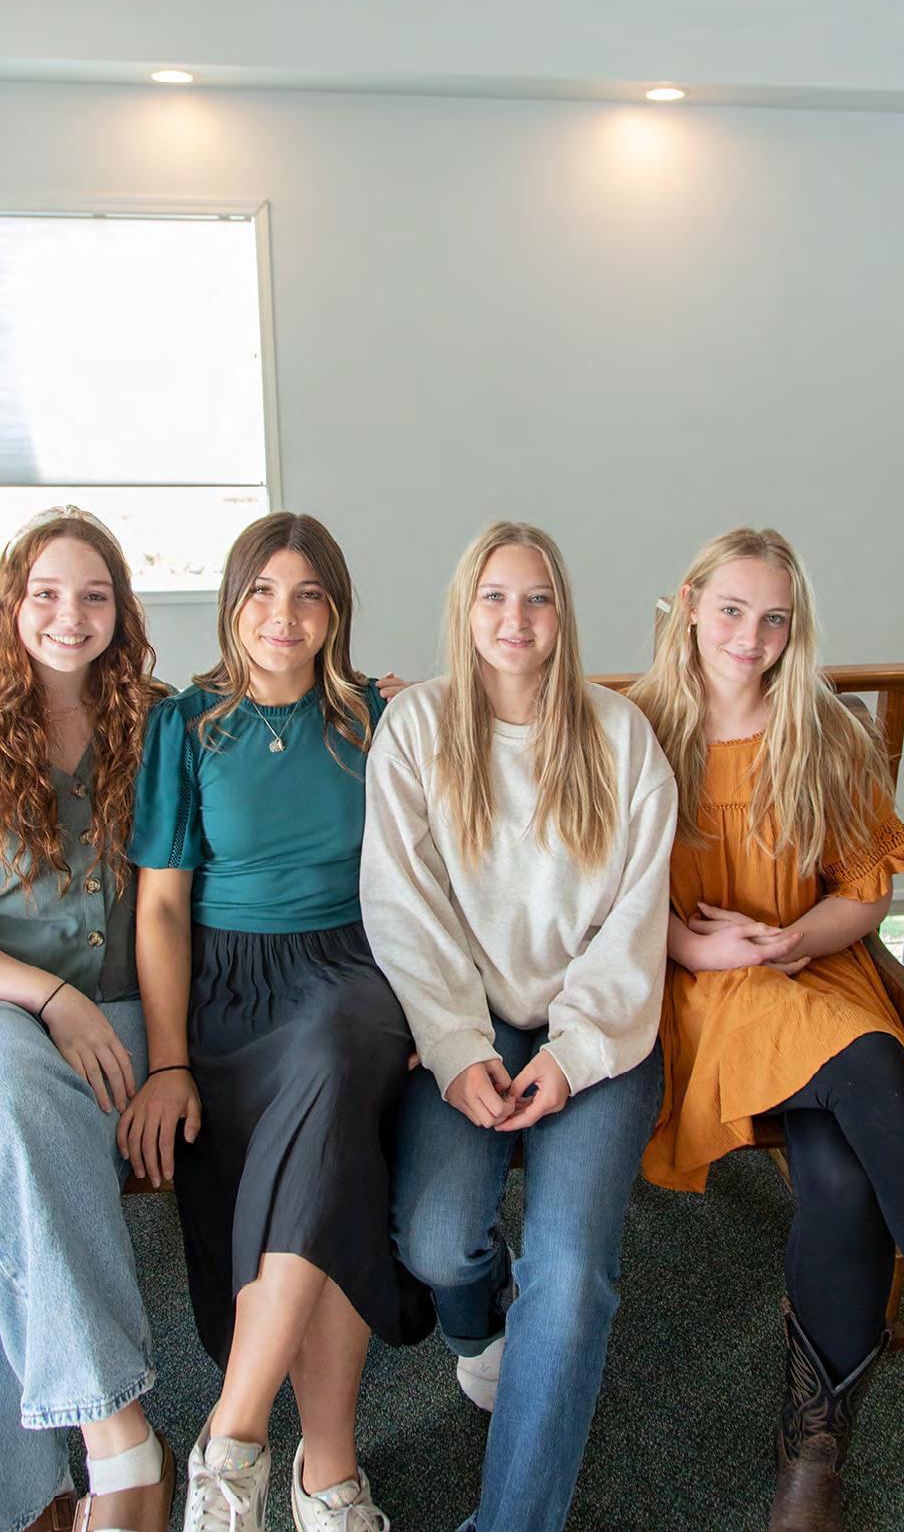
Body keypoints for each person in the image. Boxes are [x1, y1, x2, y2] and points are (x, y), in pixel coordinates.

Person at [359, 520, 677, 1532]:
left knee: (570, 1275)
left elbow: (637, 921)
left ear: (563, 612)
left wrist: (574, 1056)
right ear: (465, 609)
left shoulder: (619, 736)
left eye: (537, 597)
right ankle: (485, 1330)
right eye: (494, 596)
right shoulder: (417, 727)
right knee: (441, 1245)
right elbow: (403, 908)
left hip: (600, 1033)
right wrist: (458, 1050)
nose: (515, 618)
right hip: (467, 1019)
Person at [120, 511, 431, 1532]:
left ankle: (234, 1437)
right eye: (261, 590)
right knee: (333, 1158)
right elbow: (163, 909)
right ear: (232, 601)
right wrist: (170, 1061)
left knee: (336, 1056)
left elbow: (433, 867)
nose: (282, 615)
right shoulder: (186, 726)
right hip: (230, 991)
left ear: (335, 611)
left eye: (307, 595)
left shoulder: (377, 719)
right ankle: (326, 1472)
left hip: (351, 973)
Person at [628, 526, 904, 1532]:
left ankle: (811, 1457)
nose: (750, 636)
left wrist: (797, 938)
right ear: (689, 603)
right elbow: (597, 893)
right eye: (731, 609)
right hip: (704, 990)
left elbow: (865, 891)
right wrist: (695, 943)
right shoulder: (633, 729)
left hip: (814, 967)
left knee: (845, 1179)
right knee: (873, 1065)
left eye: (774, 618)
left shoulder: (825, 731)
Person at [0, 507, 173, 1532]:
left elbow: (266, 704)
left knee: (12, 1186)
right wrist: (48, 997)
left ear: (121, 610)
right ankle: (120, 1440)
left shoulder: (158, 721)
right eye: (47, 593)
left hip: (117, 1012)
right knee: (19, 1096)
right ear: (13, 604)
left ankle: (23, 1500)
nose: (71, 614)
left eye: (94, 594)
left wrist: (372, 699)